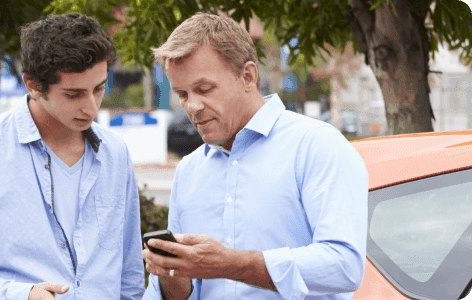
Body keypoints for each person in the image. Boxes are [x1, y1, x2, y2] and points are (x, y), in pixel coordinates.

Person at [141, 13, 368, 300]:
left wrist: (231, 264)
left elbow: (343, 266)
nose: (193, 106)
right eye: (183, 94)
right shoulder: (189, 170)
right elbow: (182, 293)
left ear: (247, 76)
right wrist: (171, 273)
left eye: (204, 89)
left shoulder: (316, 146)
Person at [0, 13, 145, 300]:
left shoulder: (115, 152)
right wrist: (20, 295)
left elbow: (128, 275)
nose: (91, 107)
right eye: (74, 94)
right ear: (33, 85)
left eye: (99, 88)